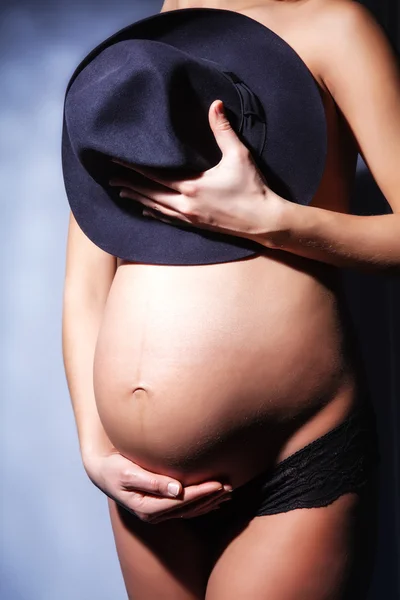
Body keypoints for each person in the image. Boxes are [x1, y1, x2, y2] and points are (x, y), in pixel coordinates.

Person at [62, 0, 399, 598]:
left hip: (294, 462)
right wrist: (95, 450)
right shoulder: (137, 61)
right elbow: (86, 283)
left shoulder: (331, 22)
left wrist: (268, 220)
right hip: (138, 484)